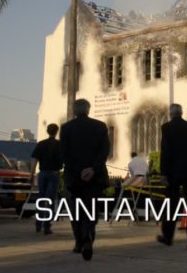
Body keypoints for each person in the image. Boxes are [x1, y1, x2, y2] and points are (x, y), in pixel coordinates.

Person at [60, 99, 109, 261]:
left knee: (76, 211)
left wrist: (79, 170)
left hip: (75, 177)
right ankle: (88, 238)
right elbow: (104, 152)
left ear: (74, 110)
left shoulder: (66, 128)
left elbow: (64, 154)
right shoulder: (100, 127)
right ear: (88, 109)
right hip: (95, 177)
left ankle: (79, 242)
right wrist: (92, 169)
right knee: (91, 210)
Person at [156, 103, 187, 251]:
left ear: (170, 114)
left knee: (171, 206)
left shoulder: (167, 127)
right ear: (182, 112)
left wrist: (163, 172)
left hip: (173, 173)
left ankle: (168, 237)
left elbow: (165, 151)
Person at [30, 123, 62, 235]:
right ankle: (47, 226)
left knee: (41, 199)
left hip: (42, 174)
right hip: (54, 173)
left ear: (48, 131)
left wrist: (32, 173)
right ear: (56, 131)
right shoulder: (60, 145)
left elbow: (34, 159)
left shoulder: (41, 144)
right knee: (50, 200)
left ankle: (38, 224)